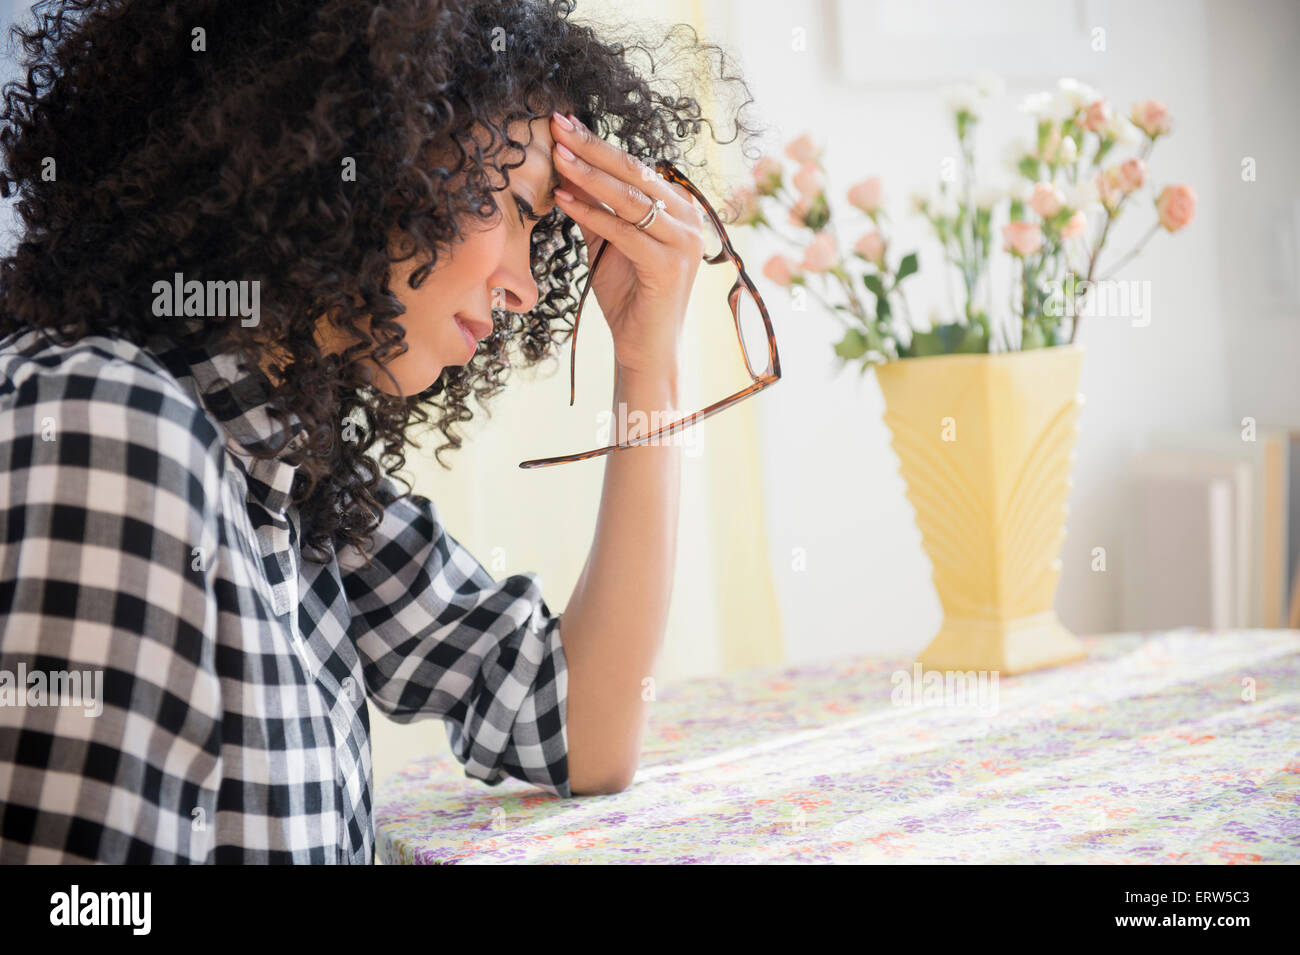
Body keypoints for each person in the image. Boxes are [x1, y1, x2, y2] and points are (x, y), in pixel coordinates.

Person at [0, 0, 758, 862]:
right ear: (358, 154)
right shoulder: (113, 433)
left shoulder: (289, 467)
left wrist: (646, 360)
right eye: (507, 202)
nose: (526, 287)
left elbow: (580, 726)